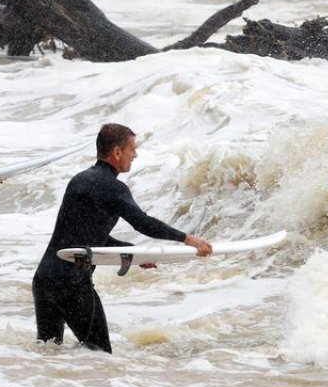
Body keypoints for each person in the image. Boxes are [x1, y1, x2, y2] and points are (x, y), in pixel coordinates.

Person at [32, 123, 212, 353]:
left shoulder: (79, 180)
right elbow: (143, 223)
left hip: (45, 279)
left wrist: (134, 253)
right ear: (117, 152)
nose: (135, 155)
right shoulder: (113, 188)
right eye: (132, 149)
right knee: (100, 356)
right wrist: (186, 238)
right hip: (71, 283)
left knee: (48, 353)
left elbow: (88, 238)